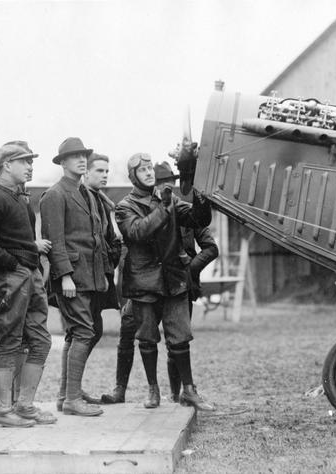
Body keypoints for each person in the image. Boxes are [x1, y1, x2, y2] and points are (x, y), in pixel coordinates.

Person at [101, 161, 218, 405]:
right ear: (133, 176)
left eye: (149, 169)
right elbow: (138, 232)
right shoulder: (124, 207)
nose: (149, 173)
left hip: (174, 280)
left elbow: (199, 218)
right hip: (144, 281)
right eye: (142, 170)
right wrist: (165, 207)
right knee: (147, 338)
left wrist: (198, 188)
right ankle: (153, 390)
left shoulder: (170, 200)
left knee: (180, 337)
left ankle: (188, 390)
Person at [0, 144, 56, 427]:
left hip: (29, 275)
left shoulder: (18, 199)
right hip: (11, 277)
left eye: (30, 162)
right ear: (6, 165)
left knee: (41, 341)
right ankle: (3, 411)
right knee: (10, 342)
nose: (30, 166)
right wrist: (12, 264)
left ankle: (24, 406)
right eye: (24, 162)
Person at [40, 137, 109, 417]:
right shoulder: (55, 195)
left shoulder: (86, 193)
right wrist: (65, 276)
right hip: (71, 277)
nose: (81, 160)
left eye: (83, 156)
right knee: (83, 332)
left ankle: (66, 395)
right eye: (74, 157)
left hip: (88, 276)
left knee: (76, 333)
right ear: (63, 163)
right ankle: (71, 399)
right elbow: (54, 240)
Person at [78, 152, 122, 402]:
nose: (105, 175)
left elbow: (107, 235)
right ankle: (69, 391)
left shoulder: (101, 200)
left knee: (93, 330)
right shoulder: (82, 197)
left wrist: (114, 253)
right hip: (86, 273)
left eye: (107, 171)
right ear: (85, 173)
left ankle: (71, 389)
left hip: (102, 271)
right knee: (84, 331)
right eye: (99, 171)